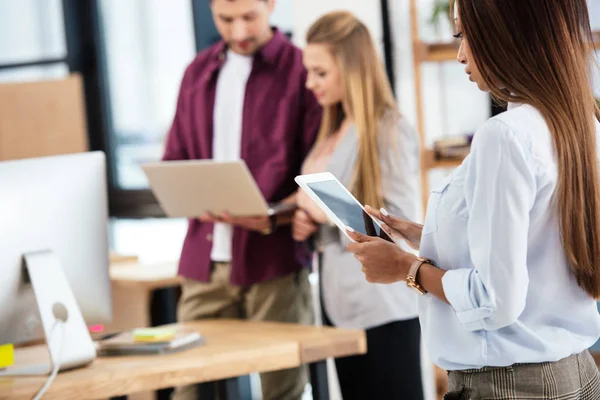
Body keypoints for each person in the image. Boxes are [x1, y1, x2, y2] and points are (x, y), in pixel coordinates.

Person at [346, 0, 600, 398]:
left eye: (465, 35)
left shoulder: (505, 135)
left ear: (509, 33)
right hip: (573, 373)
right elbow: (537, 240)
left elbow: (497, 301)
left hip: (509, 386)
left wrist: (406, 268)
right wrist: (421, 234)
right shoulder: (578, 120)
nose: (461, 52)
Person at [162, 0, 322, 399]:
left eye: (249, 17)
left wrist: (276, 215)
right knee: (189, 388)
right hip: (203, 263)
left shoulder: (304, 70)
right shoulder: (196, 73)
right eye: (225, 20)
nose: (238, 32)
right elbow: (175, 159)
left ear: (271, 5)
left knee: (281, 389)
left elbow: (321, 167)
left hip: (275, 263)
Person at [292, 11, 424, 400]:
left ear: (350, 69)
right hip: (339, 303)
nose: (309, 83)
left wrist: (324, 213)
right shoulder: (332, 128)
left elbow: (397, 225)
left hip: (382, 306)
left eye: (320, 73)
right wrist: (307, 222)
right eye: (308, 72)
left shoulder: (388, 129)